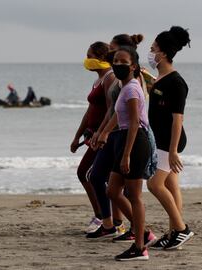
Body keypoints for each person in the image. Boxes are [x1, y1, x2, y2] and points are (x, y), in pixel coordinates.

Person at [87, 34, 149, 239]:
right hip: (120, 137)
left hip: (132, 140)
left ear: (133, 65)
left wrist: (126, 155)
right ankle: (132, 230)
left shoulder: (132, 87)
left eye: (123, 61)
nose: (118, 64)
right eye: (115, 61)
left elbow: (134, 122)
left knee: (133, 195)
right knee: (112, 191)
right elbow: (116, 113)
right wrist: (102, 132)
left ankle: (141, 239)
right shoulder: (123, 86)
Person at [146, 26, 194, 250]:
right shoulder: (160, 78)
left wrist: (173, 151)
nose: (150, 51)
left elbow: (178, 119)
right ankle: (174, 233)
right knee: (171, 186)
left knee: (154, 184)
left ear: (163, 53)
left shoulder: (176, 82)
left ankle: (182, 229)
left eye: (153, 48)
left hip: (169, 141)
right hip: (161, 139)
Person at [70, 41, 115, 234]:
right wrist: (77, 135)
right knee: (90, 174)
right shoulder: (97, 80)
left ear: (102, 58)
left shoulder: (109, 78)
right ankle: (103, 215)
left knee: (88, 173)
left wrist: (101, 132)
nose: (87, 60)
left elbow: (111, 109)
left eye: (90, 56)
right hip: (92, 134)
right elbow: (90, 111)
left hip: (103, 136)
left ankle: (103, 217)